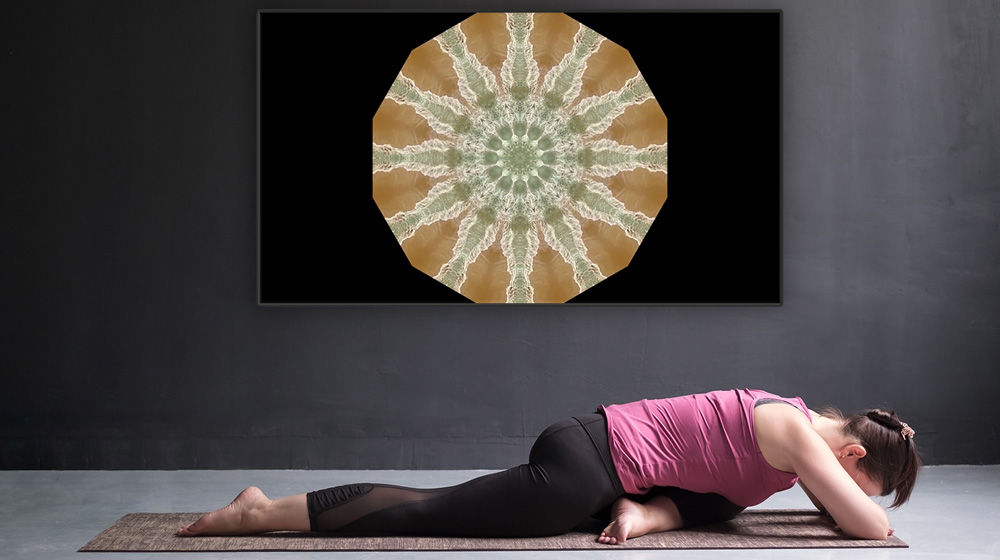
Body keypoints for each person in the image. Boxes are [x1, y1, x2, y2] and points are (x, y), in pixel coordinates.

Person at [175, 388, 920, 543]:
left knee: (729, 506)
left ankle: (643, 514)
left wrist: (658, 509)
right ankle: (260, 511)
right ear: (851, 453)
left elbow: (718, 489)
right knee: (433, 512)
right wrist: (869, 514)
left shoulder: (790, 430)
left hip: (617, 470)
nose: (844, 495)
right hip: (587, 462)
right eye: (860, 481)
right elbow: (870, 534)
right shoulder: (792, 429)